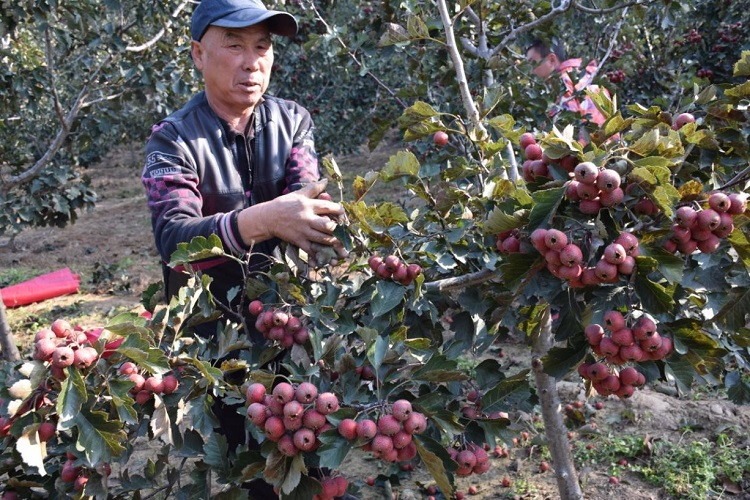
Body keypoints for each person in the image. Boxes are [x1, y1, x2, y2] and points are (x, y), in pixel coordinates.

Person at [141, 0, 349, 497]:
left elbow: (309, 204)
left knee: (307, 456)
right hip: (213, 341)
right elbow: (175, 241)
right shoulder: (171, 142)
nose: (251, 61)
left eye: (262, 46)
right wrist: (267, 219)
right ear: (198, 54)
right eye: (234, 45)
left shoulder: (291, 122)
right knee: (247, 465)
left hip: (287, 325)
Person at [526, 38, 610, 128]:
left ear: (552, 60)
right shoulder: (588, 75)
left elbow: (566, 128)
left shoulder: (562, 83)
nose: (531, 71)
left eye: (533, 63)